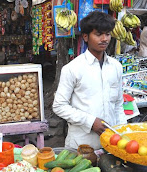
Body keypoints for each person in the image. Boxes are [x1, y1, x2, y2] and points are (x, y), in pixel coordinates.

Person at [53, 11, 127, 150]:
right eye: (98, 34)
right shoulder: (73, 68)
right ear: (86, 37)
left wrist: (122, 132)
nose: (104, 39)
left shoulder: (116, 67)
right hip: (81, 145)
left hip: (110, 143)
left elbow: (118, 104)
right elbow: (59, 106)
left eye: (107, 34)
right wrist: (90, 122)